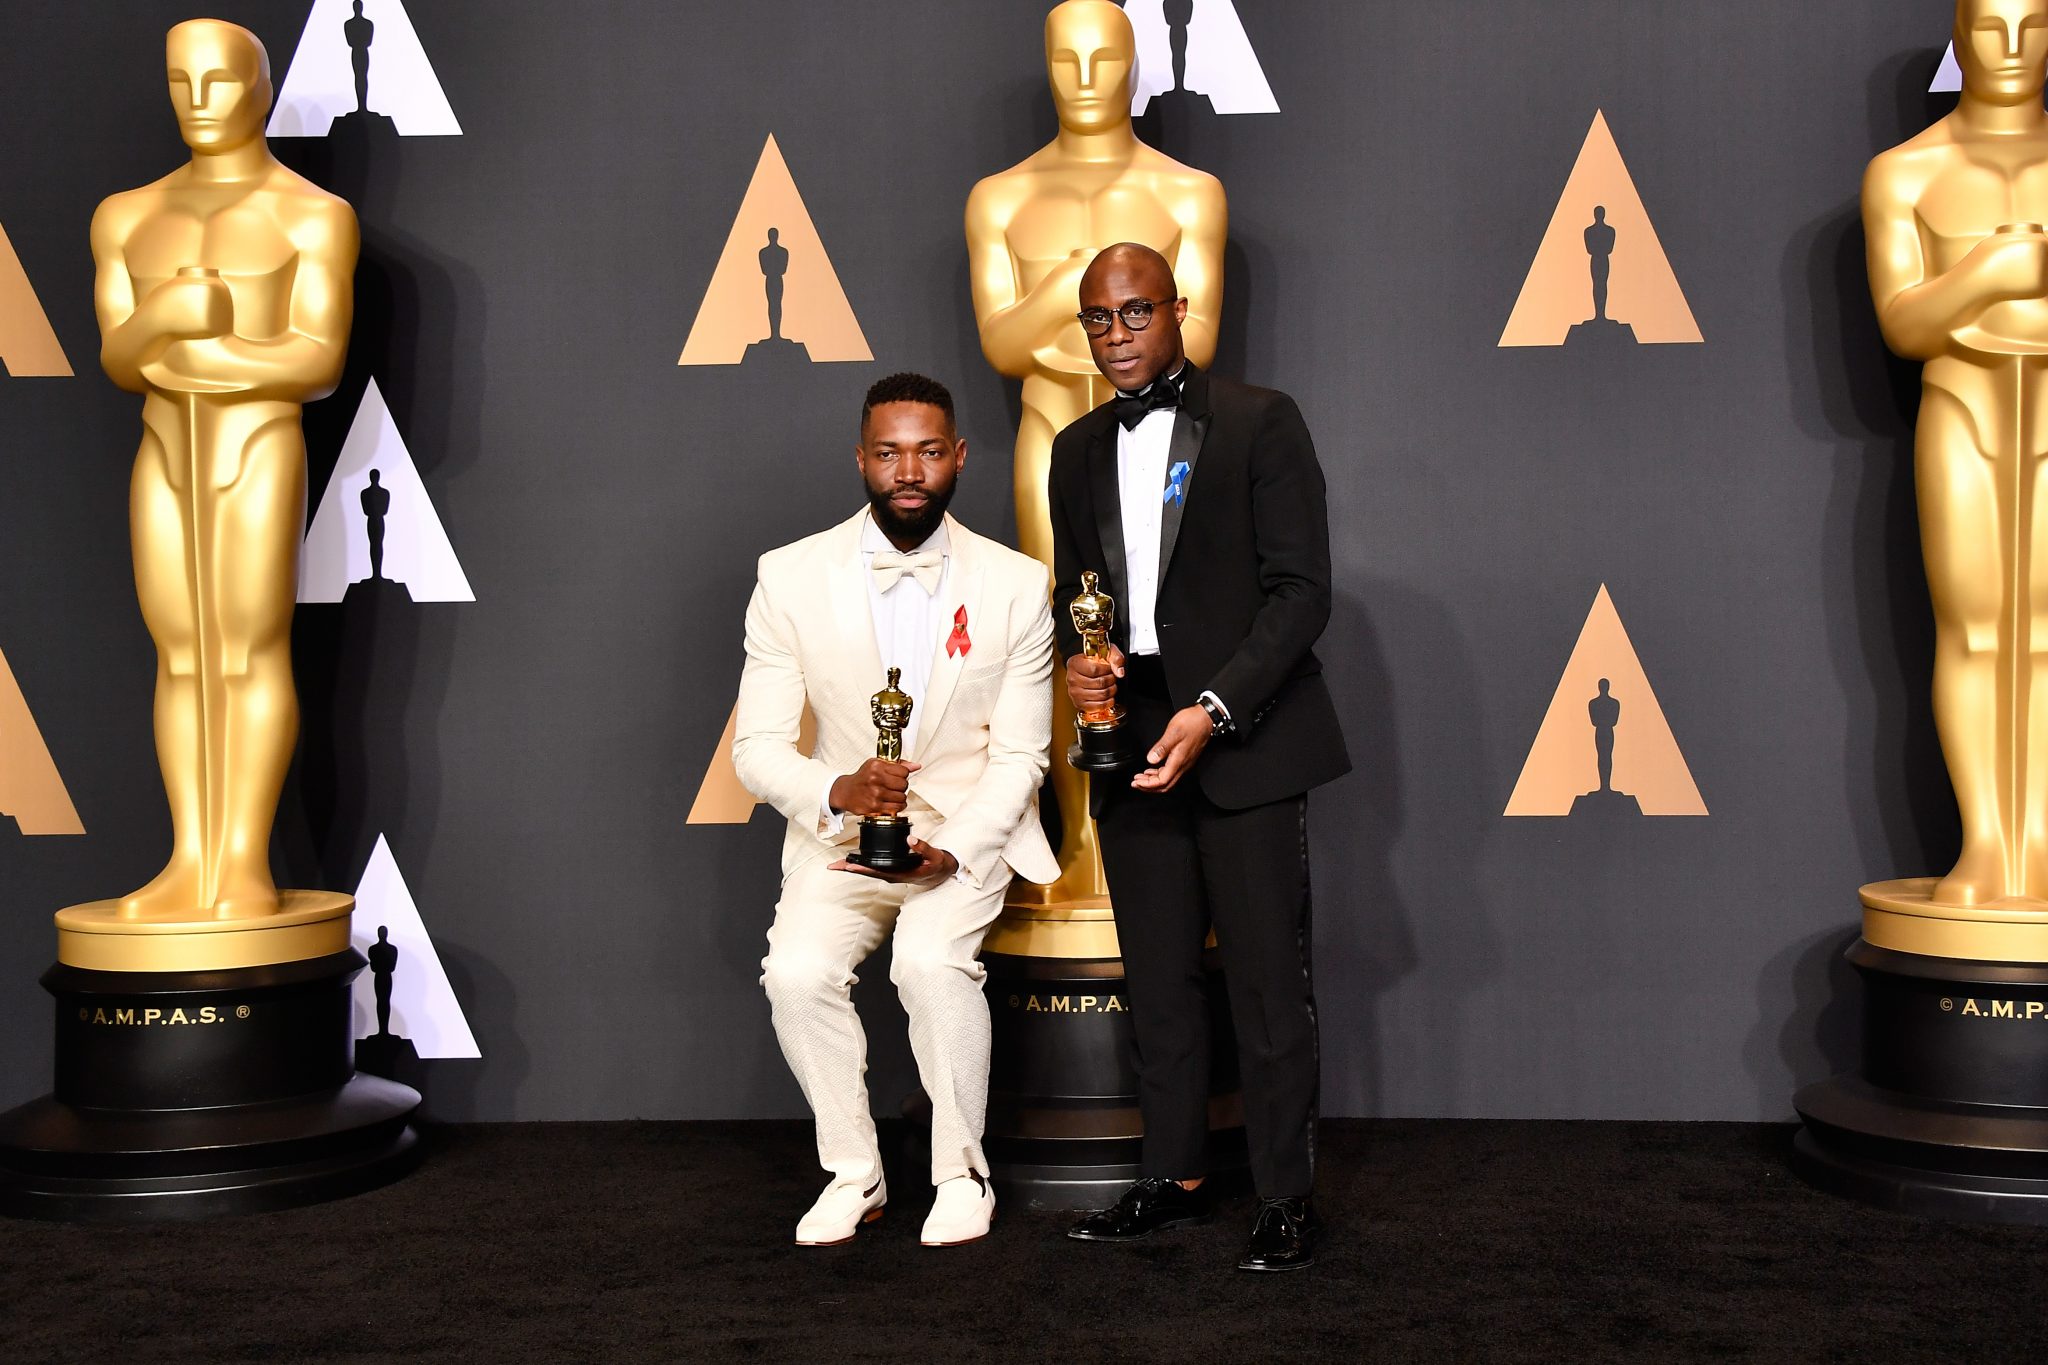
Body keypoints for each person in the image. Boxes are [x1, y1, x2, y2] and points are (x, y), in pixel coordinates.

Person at [1049, 243, 1349, 1272]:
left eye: (1135, 314)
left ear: (1179, 311)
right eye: (1097, 319)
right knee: (1159, 981)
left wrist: (1212, 708)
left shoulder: (1262, 420)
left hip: (1244, 738)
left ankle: (1283, 1197)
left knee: (1268, 984)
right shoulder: (1075, 447)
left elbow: (1300, 592)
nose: (1116, 336)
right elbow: (1076, 601)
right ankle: (1171, 1176)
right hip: (1128, 741)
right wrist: (1080, 669)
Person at [733, 372, 1057, 1248]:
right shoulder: (789, 576)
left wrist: (953, 848)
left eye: (925, 451)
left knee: (927, 960)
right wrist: (837, 791)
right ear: (861, 458)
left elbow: (1022, 755)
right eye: (887, 452)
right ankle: (855, 1170)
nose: (906, 470)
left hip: (962, 835)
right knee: (795, 974)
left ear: (957, 456)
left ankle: (962, 1169)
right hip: (843, 840)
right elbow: (756, 748)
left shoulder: (1018, 585)